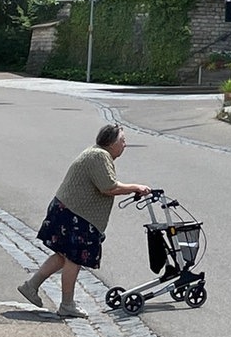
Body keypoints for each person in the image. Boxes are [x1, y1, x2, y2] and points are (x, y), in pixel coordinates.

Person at [17, 124, 150, 318]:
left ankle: (31, 286)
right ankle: (67, 305)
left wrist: (132, 188)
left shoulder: (96, 153)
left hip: (66, 210)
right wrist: (135, 187)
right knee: (74, 259)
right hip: (75, 214)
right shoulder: (99, 156)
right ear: (112, 143)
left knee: (63, 256)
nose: (125, 144)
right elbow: (108, 187)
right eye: (122, 140)